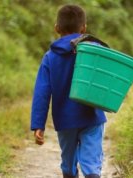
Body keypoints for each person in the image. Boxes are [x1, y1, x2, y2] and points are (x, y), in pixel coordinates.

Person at [30, 4, 106, 178]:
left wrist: (38, 125)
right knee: (92, 164)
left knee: (68, 163)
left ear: (57, 28)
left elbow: (42, 92)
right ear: (84, 28)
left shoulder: (50, 57)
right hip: (92, 115)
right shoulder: (95, 50)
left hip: (65, 120)